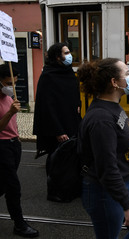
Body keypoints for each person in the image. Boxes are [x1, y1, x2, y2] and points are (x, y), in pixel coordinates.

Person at [77, 58, 129, 239]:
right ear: (114, 82)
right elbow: (107, 167)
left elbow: (115, 140)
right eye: (127, 73)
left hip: (123, 183)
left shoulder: (112, 107)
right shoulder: (101, 119)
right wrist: (128, 205)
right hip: (105, 191)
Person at [33, 42, 82, 202]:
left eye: (69, 52)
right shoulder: (48, 75)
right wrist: (58, 131)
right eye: (66, 53)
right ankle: (55, 192)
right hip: (58, 126)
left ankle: (71, 189)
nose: (70, 55)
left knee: (71, 158)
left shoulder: (68, 72)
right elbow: (47, 106)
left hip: (72, 121)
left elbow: (74, 93)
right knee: (56, 159)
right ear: (57, 57)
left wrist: (78, 107)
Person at [0, 64, 39, 237]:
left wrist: (17, 137)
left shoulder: (9, 96)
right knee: (13, 187)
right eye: (8, 83)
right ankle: (19, 224)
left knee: (3, 184)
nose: (12, 87)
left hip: (14, 144)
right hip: (2, 146)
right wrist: (9, 113)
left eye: (14, 82)